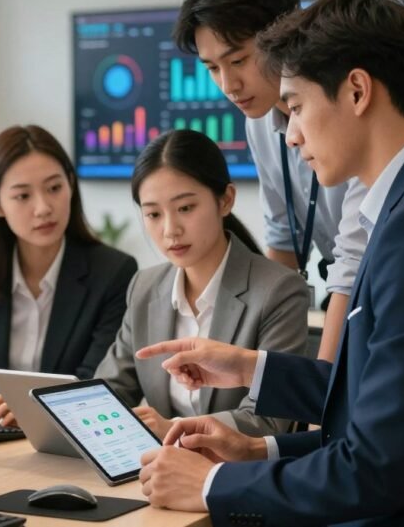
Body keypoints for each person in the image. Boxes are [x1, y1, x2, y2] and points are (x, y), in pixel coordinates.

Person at [137, 0, 404, 525]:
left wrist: (213, 483)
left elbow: (374, 471)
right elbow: (385, 408)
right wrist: (252, 422)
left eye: (298, 106)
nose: (292, 136)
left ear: (357, 90)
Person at [174, 0, 368, 361]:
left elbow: (354, 262)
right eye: (212, 68)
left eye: (238, 60)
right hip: (343, 292)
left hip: (380, 292)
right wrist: (260, 365)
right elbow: (283, 239)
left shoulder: (345, 108)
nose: (228, 85)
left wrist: (318, 384)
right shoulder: (260, 122)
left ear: (285, 34)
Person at [93, 129, 308, 439]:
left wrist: (174, 431)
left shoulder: (279, 291)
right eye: (153, 214)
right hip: (157, 472)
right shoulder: (144, 286)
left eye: (185, 208)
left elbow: (269, 421)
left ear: (225, 200)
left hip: (236, 477)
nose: (170, 230)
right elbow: (109, 392)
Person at [0, 125, 137, 427]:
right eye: (23, 196)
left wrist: (30, 409)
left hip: (66, 439)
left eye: (54, 188)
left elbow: (102, 385)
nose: (43, 208)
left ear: (71, 186)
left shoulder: (113, 273)